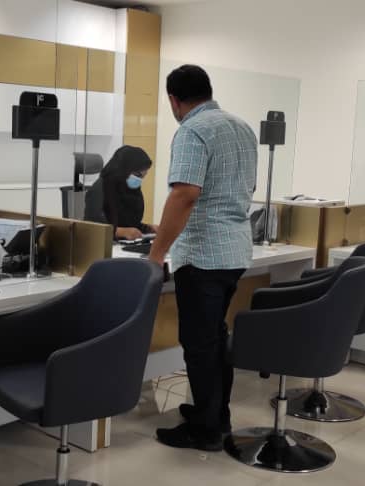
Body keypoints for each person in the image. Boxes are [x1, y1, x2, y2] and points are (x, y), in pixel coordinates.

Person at [149, 65, 258, 451]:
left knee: (199, 344)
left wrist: (156, 253)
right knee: (214, 338)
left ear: (174, 100)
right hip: (235, 250)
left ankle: (207, 430)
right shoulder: (242, 127)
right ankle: (214, 414)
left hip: (203, 255)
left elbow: (185, 194)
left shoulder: (192, 130)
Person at [86, 145, 159, 240]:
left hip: (126, 244)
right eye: (137, 175)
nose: (139, 180)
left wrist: (148, 228)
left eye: (142, 177)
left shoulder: (131, 190)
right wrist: (120, 232)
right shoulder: (100, 188)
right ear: (123, 169)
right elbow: (92, 227)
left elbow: (129, 223)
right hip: (102, 244)